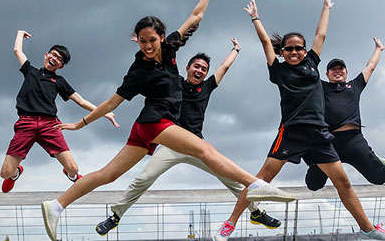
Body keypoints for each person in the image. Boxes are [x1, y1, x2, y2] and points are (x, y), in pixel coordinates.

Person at [40, 0, 294, 241]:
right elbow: (113, 101)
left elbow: (196, 16)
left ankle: (56, 205)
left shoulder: (171, 46)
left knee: (107, 174)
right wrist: (81, 123)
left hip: (144, 129)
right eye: (142, 42)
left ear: (161, 37)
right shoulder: (139, 70)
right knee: (205, 150)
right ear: (137, 41)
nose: (147, 46)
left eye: (152, 40)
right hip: (155, 121)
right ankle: (256, 184)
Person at [213, 0, 385, 241]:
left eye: (298, 48)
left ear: (304, 50)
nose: (293, 52)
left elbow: (320, 36)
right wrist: (256, 18)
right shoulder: (277, 70)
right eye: (288, 48)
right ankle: (229, 225)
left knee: (343, 182)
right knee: (261, 180)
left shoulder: (312, 62)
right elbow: (264, 41)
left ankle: (368, 230)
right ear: (282, 52)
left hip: (320, 134)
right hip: (291, 132)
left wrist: (326, 9)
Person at [95, 38, 281, 236]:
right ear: (188, 67)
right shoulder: (174, 84)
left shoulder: (207, 87)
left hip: (196, 146)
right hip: (171, 144)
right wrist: (145, 47)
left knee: (230, 178)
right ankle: (115, 216)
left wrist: (236, 49)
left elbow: (224, 67)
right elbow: (159, 63)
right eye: (196, 66)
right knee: (144, 178)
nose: (200, 71)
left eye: (204, 69)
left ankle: (256, 212)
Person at [0, 30, 120, 193]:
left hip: (50, 125)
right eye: (54, 55)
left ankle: (70, 176)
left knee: (73, 168)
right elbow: (17, 51)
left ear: (61, 66)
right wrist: (20, 34)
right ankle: (16, 174)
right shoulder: (30, 71)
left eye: (59, 60)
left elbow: (81, 101)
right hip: (26, 123)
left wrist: (105, 113)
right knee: (5, 172)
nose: (55, 59)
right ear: (46, 55)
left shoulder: (59, 81)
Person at [304, 38, 385, 191]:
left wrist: (378, 49)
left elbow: (370, 67)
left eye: (340, 68)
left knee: (379, 178)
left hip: (353, 140)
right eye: (333, 69)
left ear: (346, 72)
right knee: (313, 185)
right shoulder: (321, 87)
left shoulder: (354, 86)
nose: (337, 71)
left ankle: (377, 160)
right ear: (327, 74)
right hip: (328, 141)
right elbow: (307, 70)